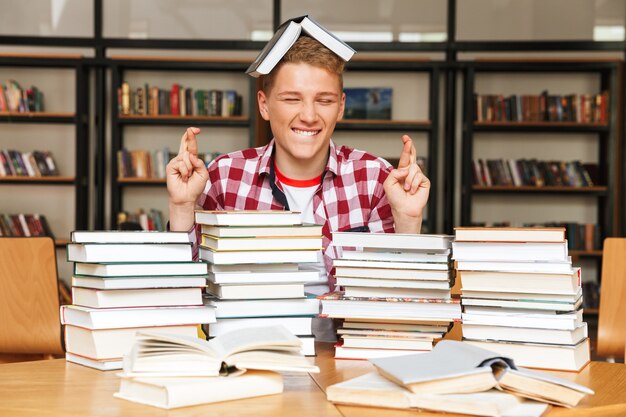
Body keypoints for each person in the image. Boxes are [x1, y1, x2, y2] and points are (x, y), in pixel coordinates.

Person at [167, 35, 430, 337]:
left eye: (324, 100)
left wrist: (408, 222)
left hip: (346, 358)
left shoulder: (375, 178)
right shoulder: (224, 176)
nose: (308, 115)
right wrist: (182, 206)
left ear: (341, 107)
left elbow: (398, 304)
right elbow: (184, 294)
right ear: (264, 105)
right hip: (249, 355)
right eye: (292, 99)